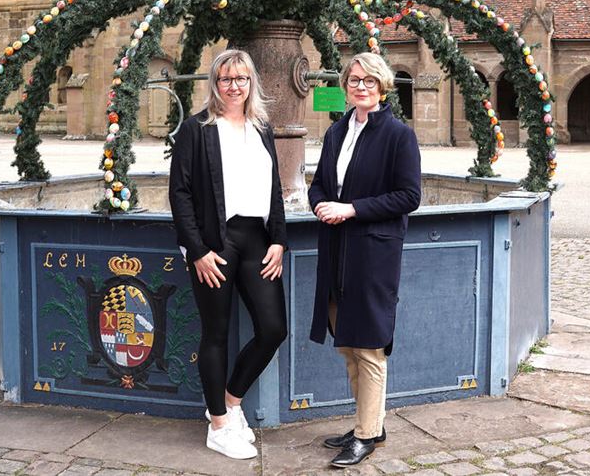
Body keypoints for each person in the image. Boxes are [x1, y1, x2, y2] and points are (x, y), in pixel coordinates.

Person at [168, 49, 288, 460]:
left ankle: (231, 403)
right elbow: (180, 194)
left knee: (273, 329)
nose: (234, 86)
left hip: (258, 239)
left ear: (251, 82)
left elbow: (273, 188)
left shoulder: (261, 127)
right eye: (225, 79)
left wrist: (279, 240)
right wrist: (196, 251)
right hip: (214, 244)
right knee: (215, 333)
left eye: (241, 79)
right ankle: (218, 425)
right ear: (214, 84)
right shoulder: (196, 129)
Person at [308, 52, 422, 468]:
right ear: (345, 84)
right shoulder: (337, 131)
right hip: (336, 250)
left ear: (382, 85)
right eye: (354, 80)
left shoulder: (398, 135)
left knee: (369, 347)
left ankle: (367, 434)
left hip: (373, 253)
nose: (360, 86)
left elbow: (409, 196)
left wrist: (350, 209)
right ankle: (368, 422)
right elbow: (320, 184)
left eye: (369, 80)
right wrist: (321, 204)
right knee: (347, 346)